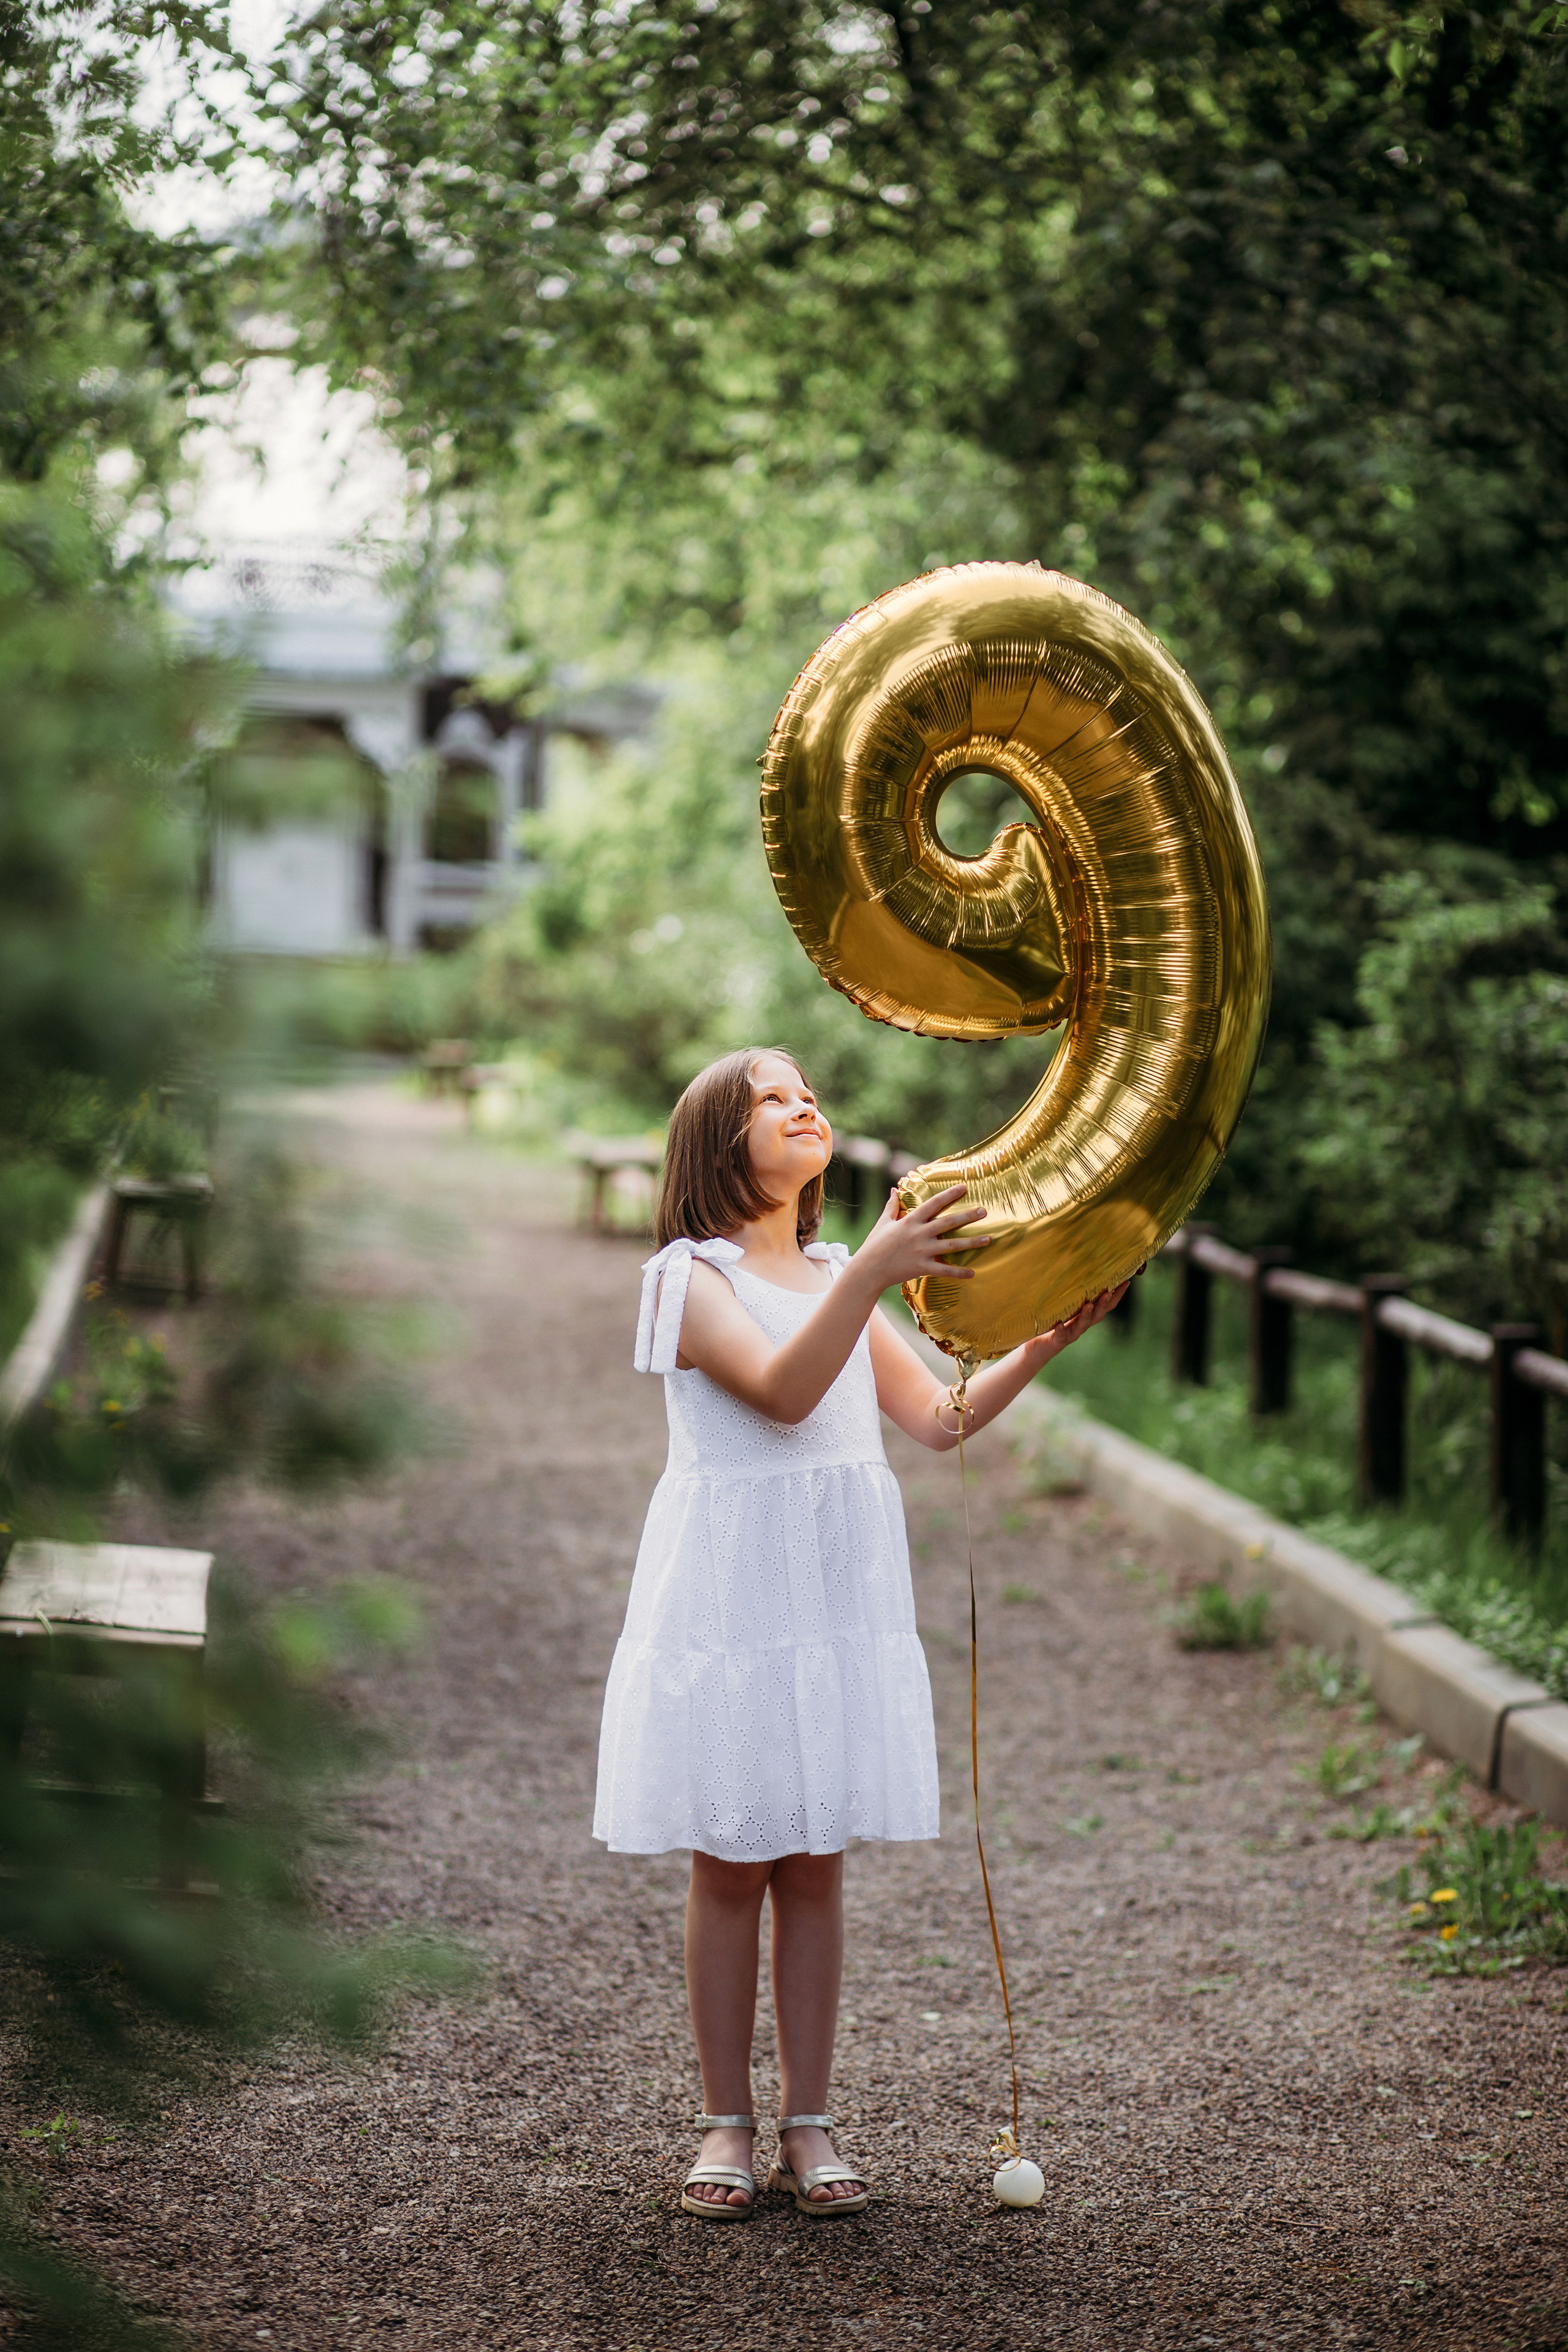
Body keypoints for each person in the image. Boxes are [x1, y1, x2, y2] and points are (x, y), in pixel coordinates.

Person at [592, 1047, 1126, 2220]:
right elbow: (783, 1391)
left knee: (817, 1857)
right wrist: (876, 1271)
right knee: (735, 1858)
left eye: (808, 1092)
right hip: (736, 1595)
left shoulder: (837, 1268)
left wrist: (1042, 1344)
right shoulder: (692, 1279)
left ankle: (808, 2122)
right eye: (773, 1098)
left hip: (829, 1598)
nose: (805, 1104)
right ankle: (725, 2122)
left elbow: (935, 1419)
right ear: (718, 1146)